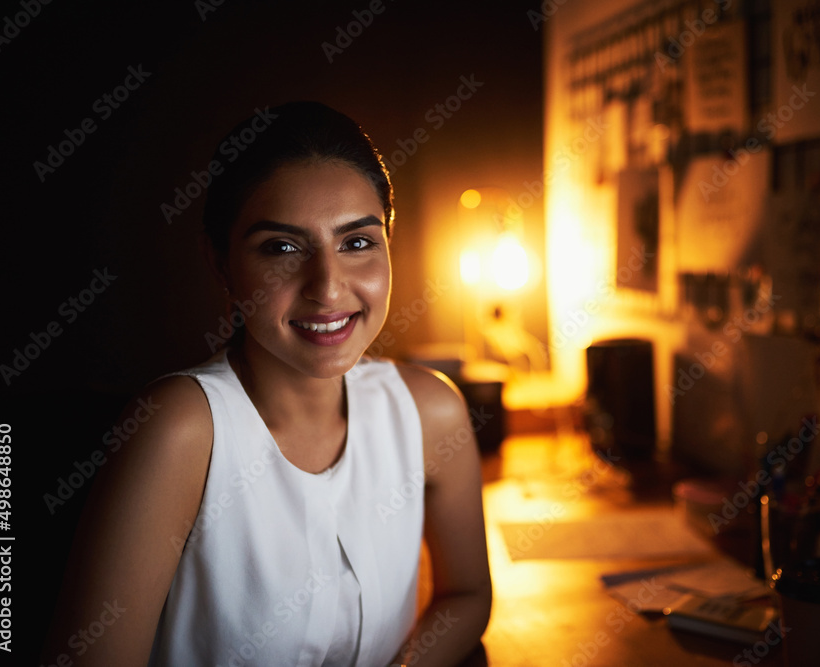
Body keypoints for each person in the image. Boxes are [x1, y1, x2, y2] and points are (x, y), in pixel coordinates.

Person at [42, 101, 492, 666]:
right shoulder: (180, 427)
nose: (328, 288)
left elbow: (468, 595)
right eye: (282, 248)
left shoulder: (430, 412)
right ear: (221, 264)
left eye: (357, 242)